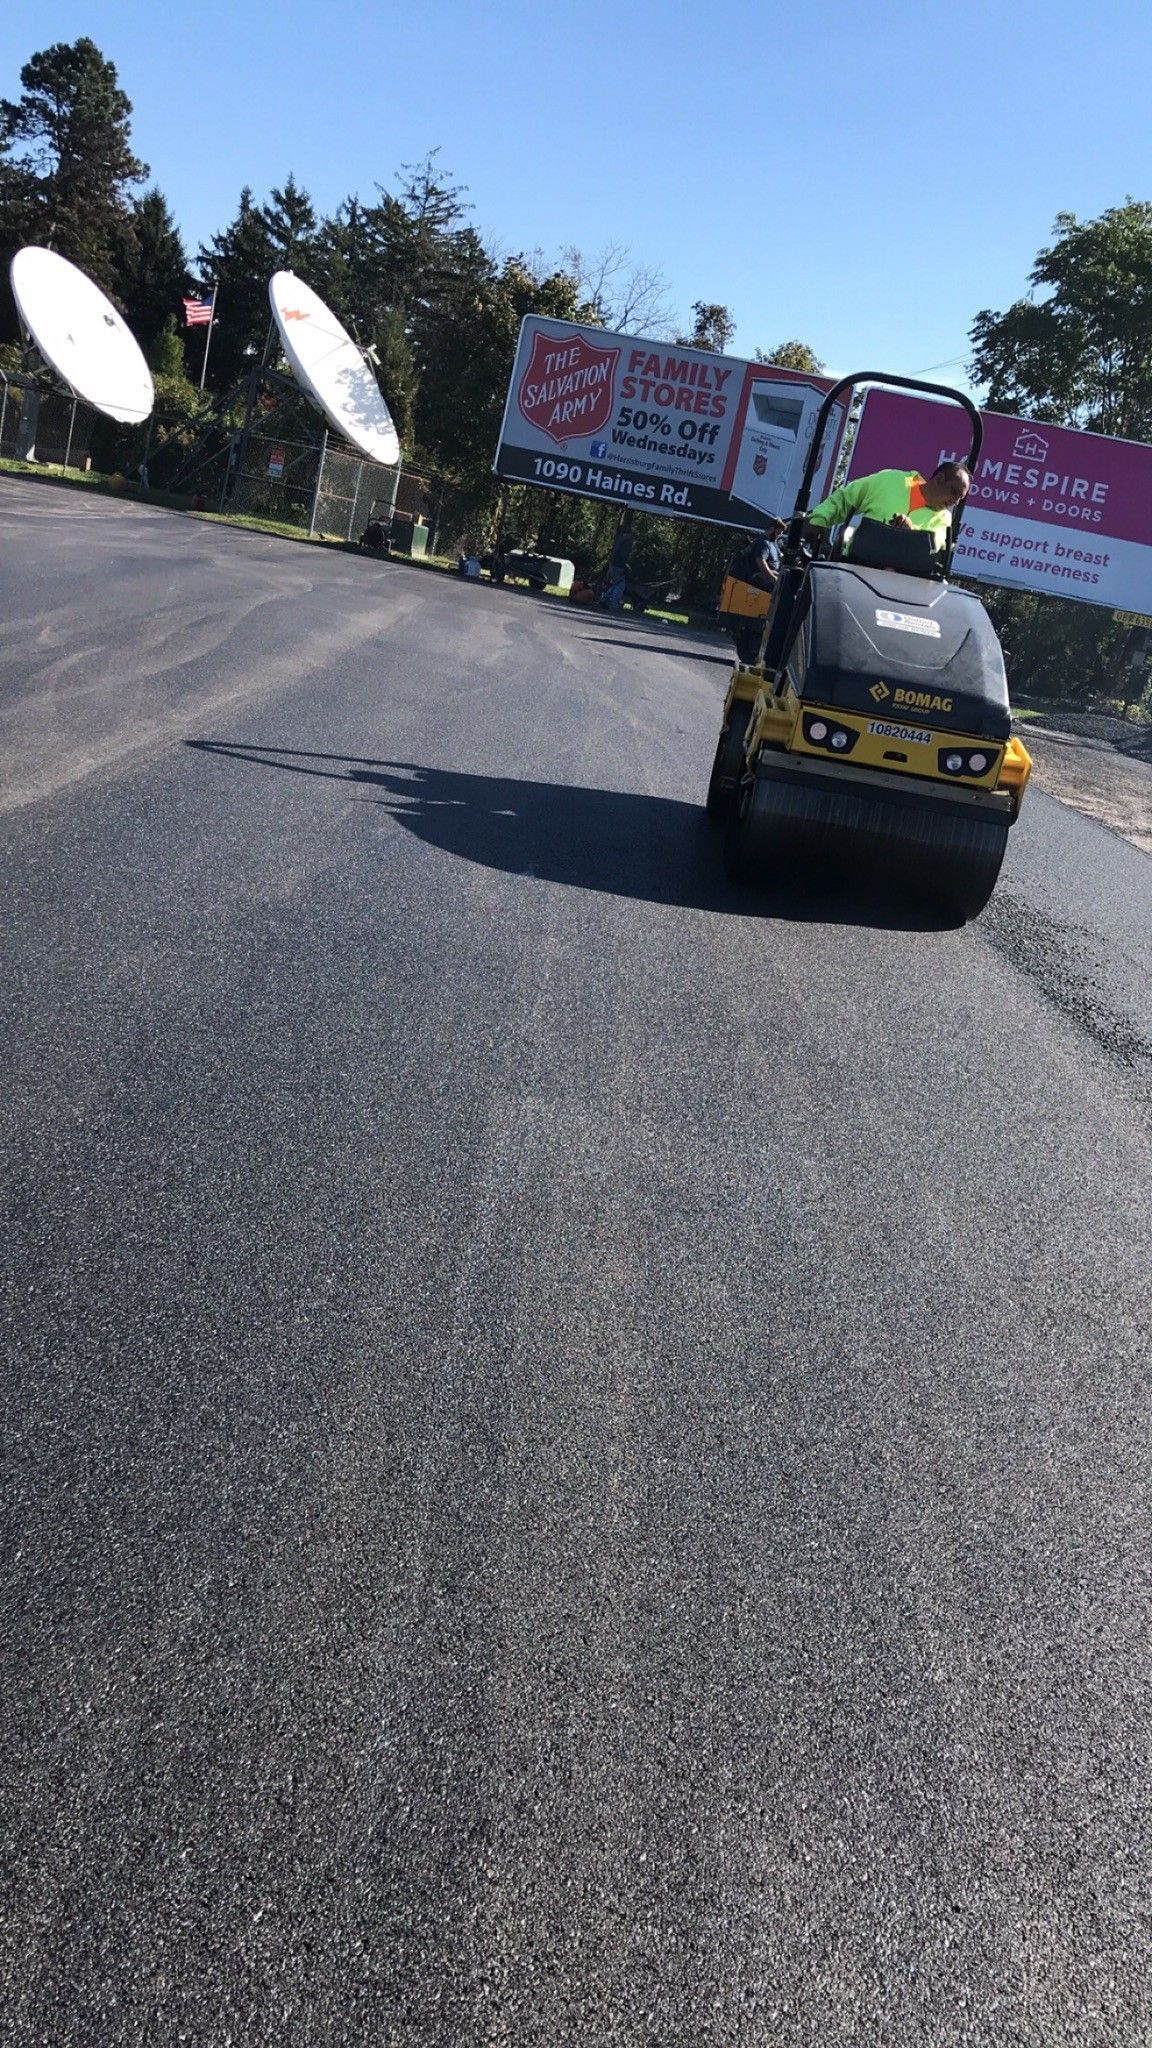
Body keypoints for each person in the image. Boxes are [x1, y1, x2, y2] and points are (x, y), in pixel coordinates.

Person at [807, 461, 970, 551]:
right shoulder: (891, 480)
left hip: (904, 583)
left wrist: (911, 535)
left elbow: (936, 546)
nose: (955, 501)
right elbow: (847, 498)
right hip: (854, 568)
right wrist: (819, 519)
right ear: (940, 479)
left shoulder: (944, 520)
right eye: (954, 492)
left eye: (960, 498)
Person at [599, 515, 634, 612]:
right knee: (620, 586)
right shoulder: (627, 542)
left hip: (615, 564)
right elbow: (622, 556)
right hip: (618, 565)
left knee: (616, 584)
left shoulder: (620, 540)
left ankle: (604, 599)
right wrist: (623, 567)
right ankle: (614, 605)